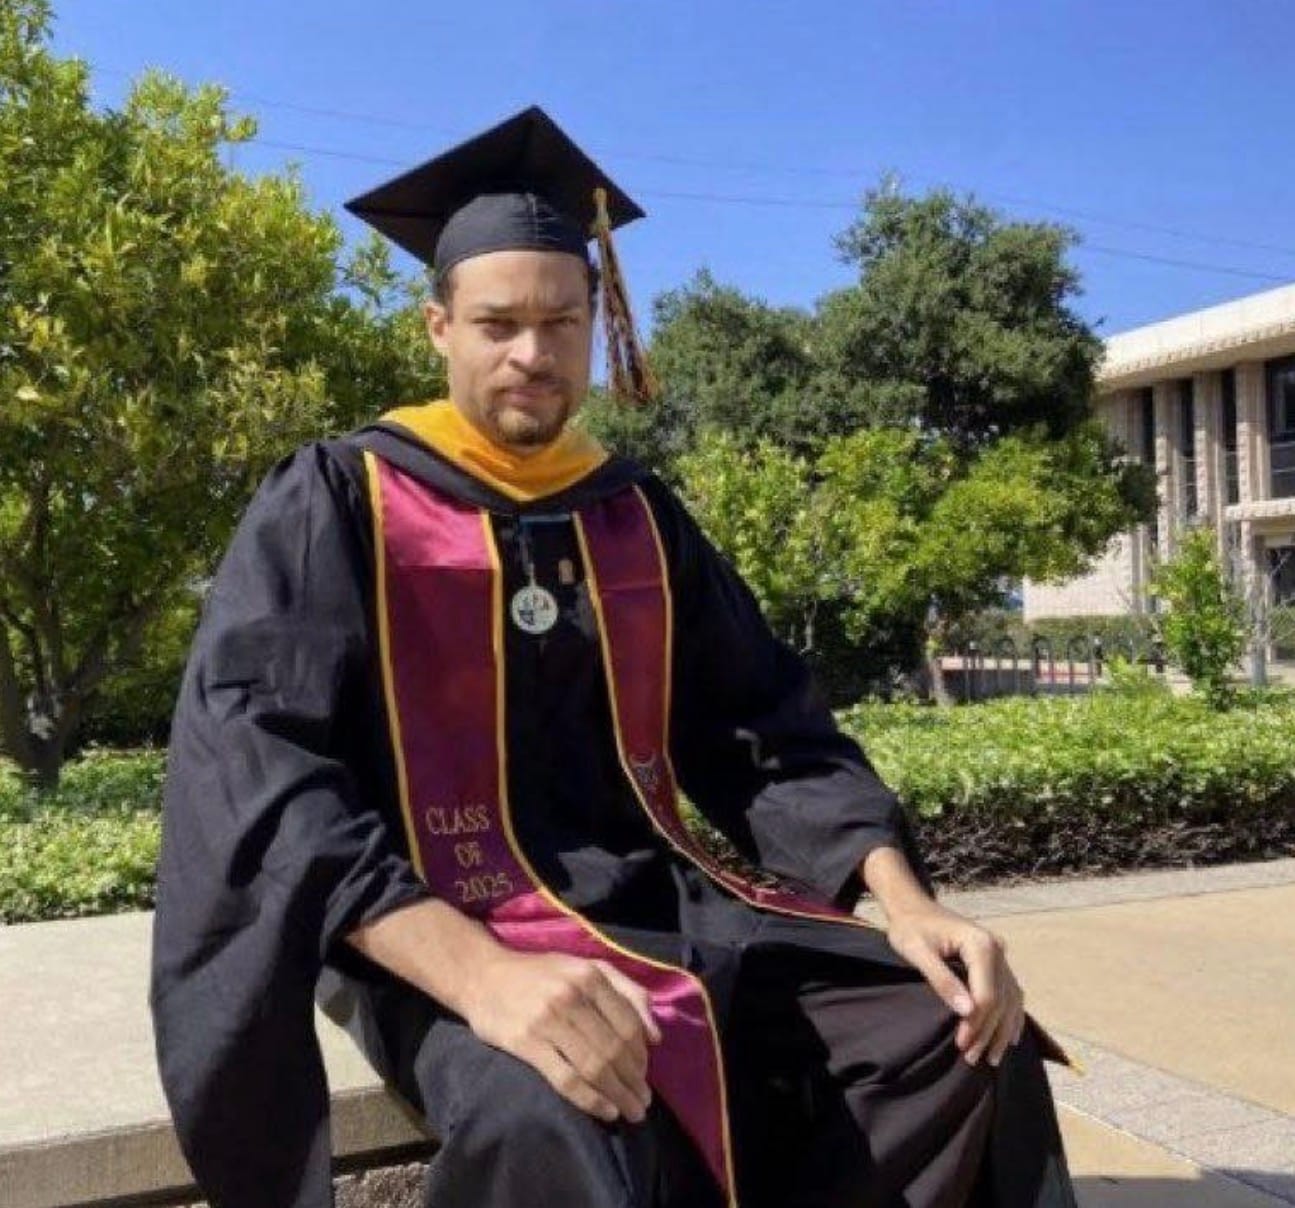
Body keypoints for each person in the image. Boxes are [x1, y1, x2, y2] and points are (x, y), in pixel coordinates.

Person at [150, 106, 1078, 1208]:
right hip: (428, 923)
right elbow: (259, 766)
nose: (532, 355)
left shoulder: (634, 512)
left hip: (659, 898)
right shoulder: (342, 500)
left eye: (561, 320)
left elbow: (763, 722)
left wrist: (906, 900)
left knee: (957, 1031)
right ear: (437, 326)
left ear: (597, 321)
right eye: (497, 323)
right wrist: (482, 978)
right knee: (560, 1113)